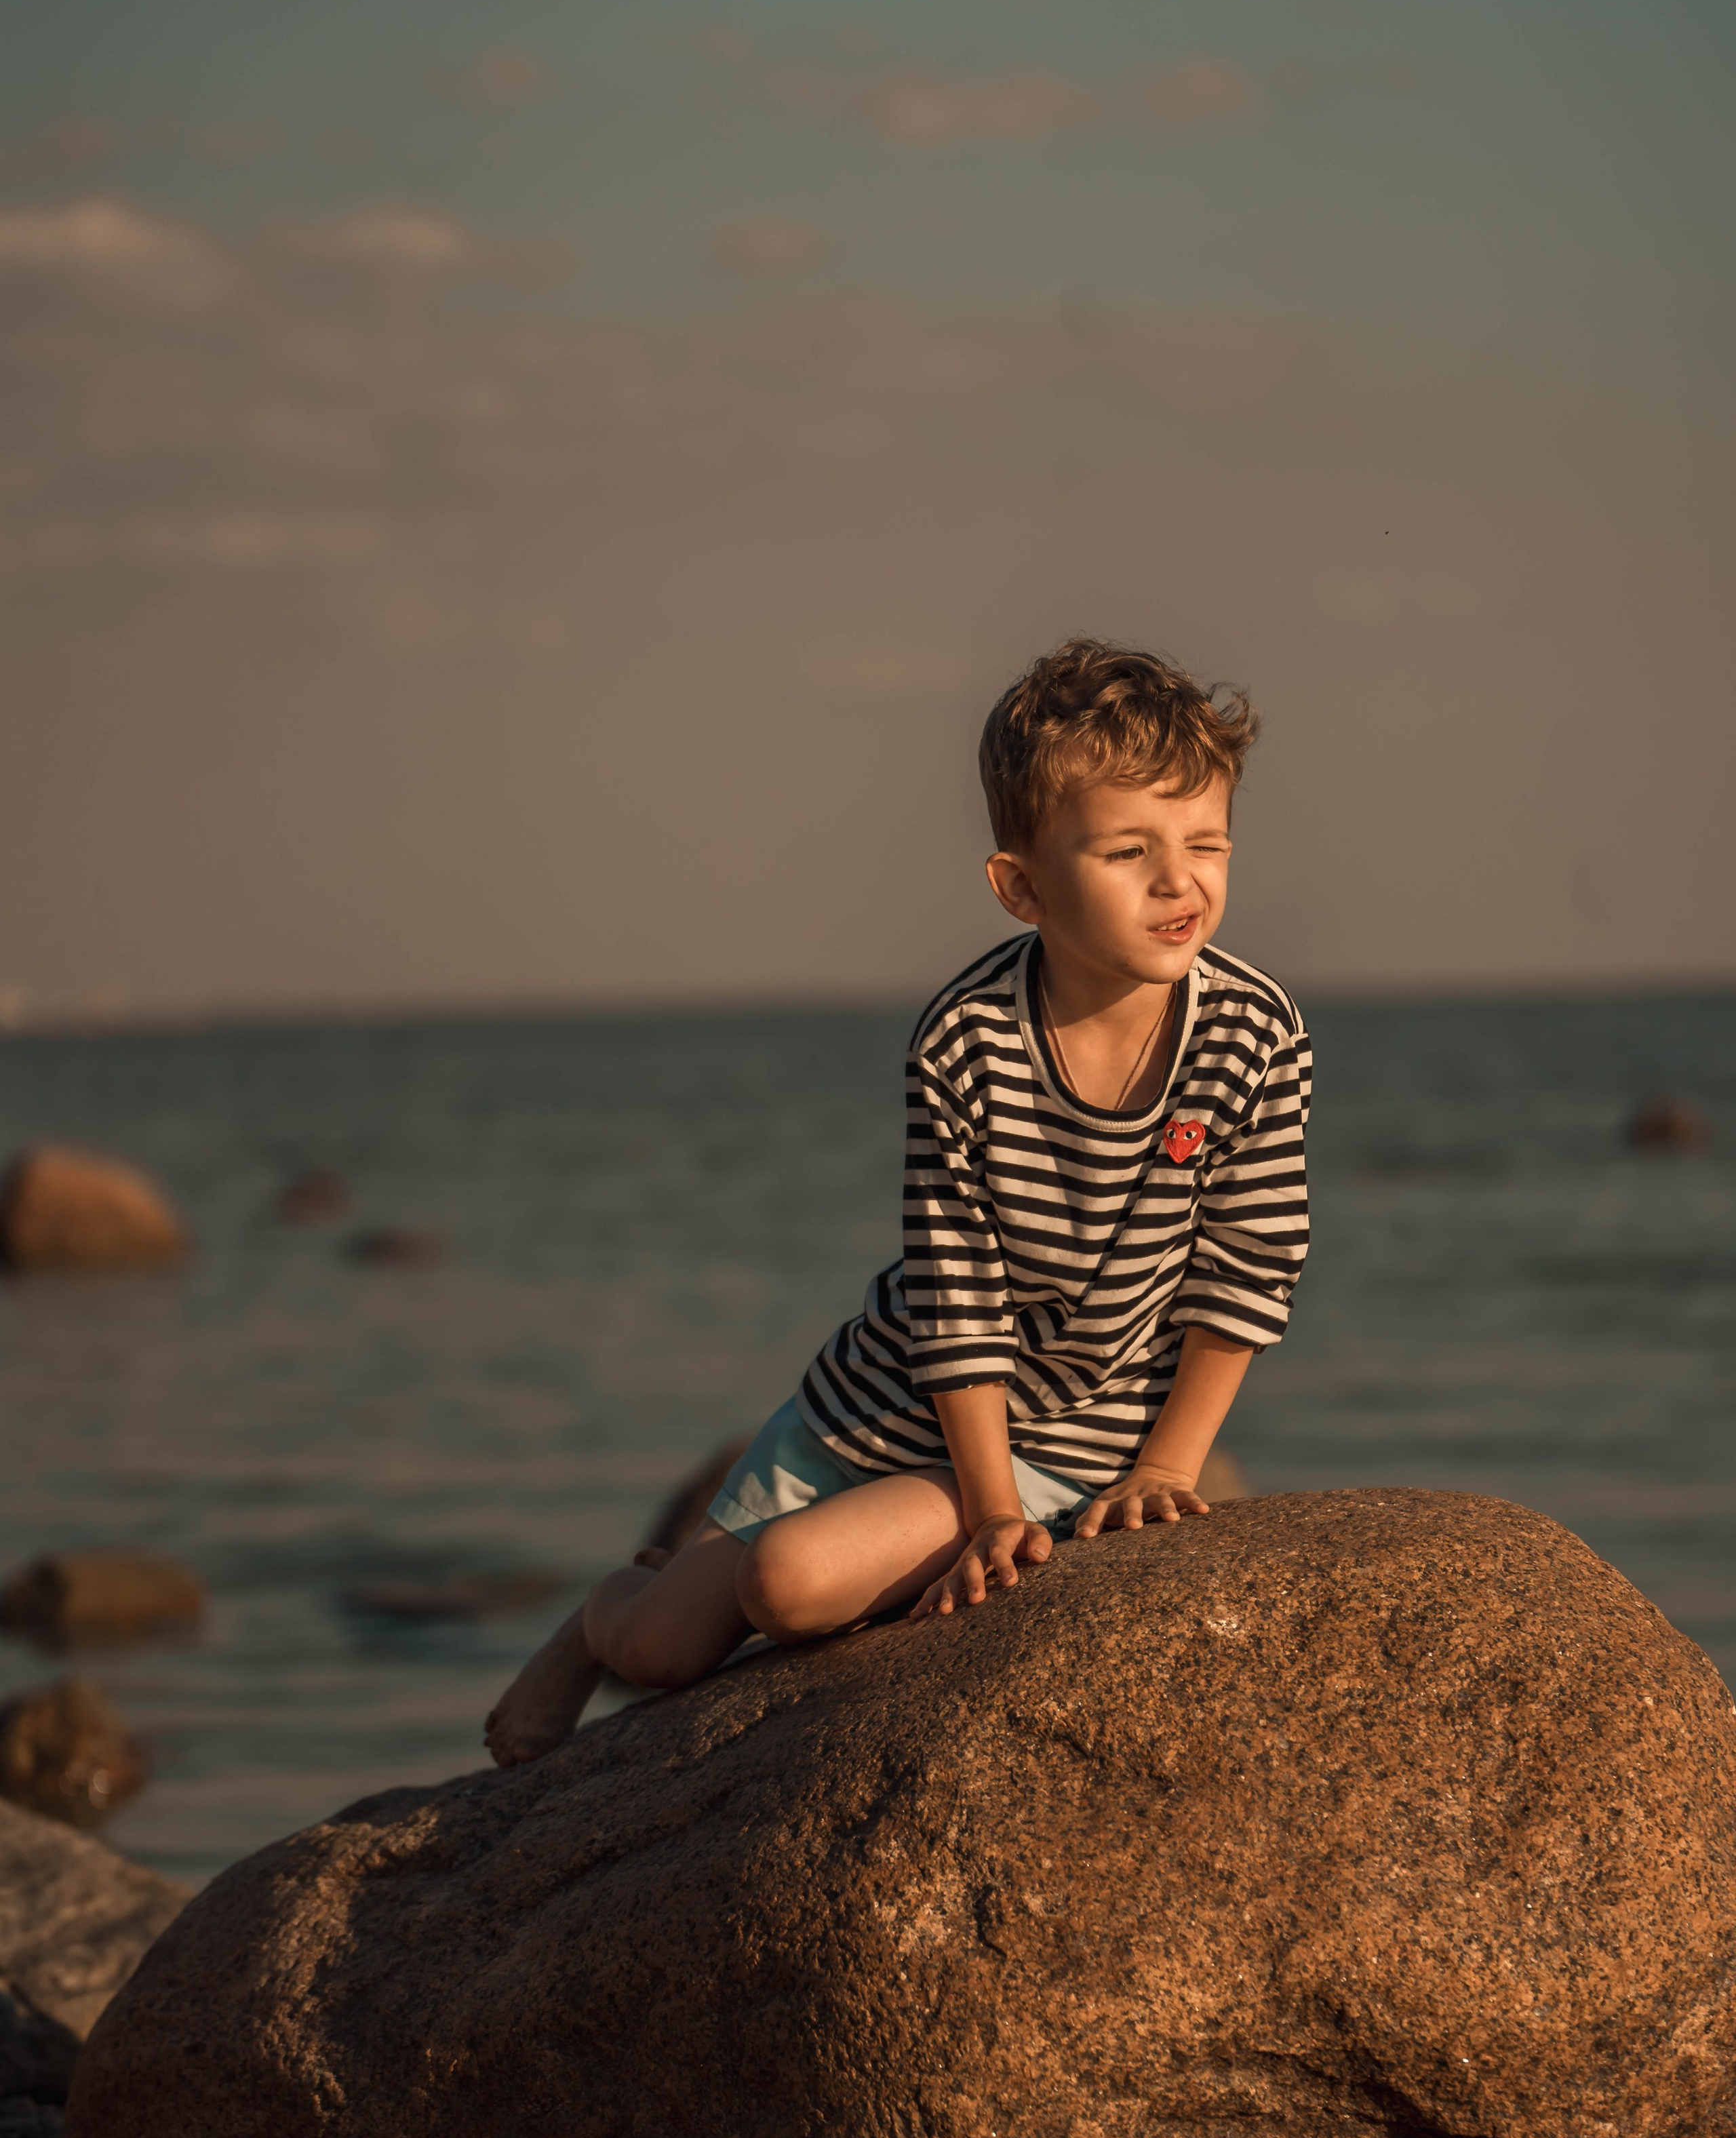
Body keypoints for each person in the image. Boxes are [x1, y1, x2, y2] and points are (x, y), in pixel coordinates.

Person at [486, 636, 1311, 1767]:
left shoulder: (1254, 1032)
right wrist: (987, 1518)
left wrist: (1164, 1469)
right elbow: (956, 1290)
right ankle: (595, 1620)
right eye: (1129, 852)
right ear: (1021, 886)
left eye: (1207, 843)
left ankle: (792, 1565)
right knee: (664, 1656)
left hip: (1067, 1440)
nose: (1182, 882)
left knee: (790, 1588)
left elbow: (1249, 1263)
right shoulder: (968, 1040)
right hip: (882, 1409)